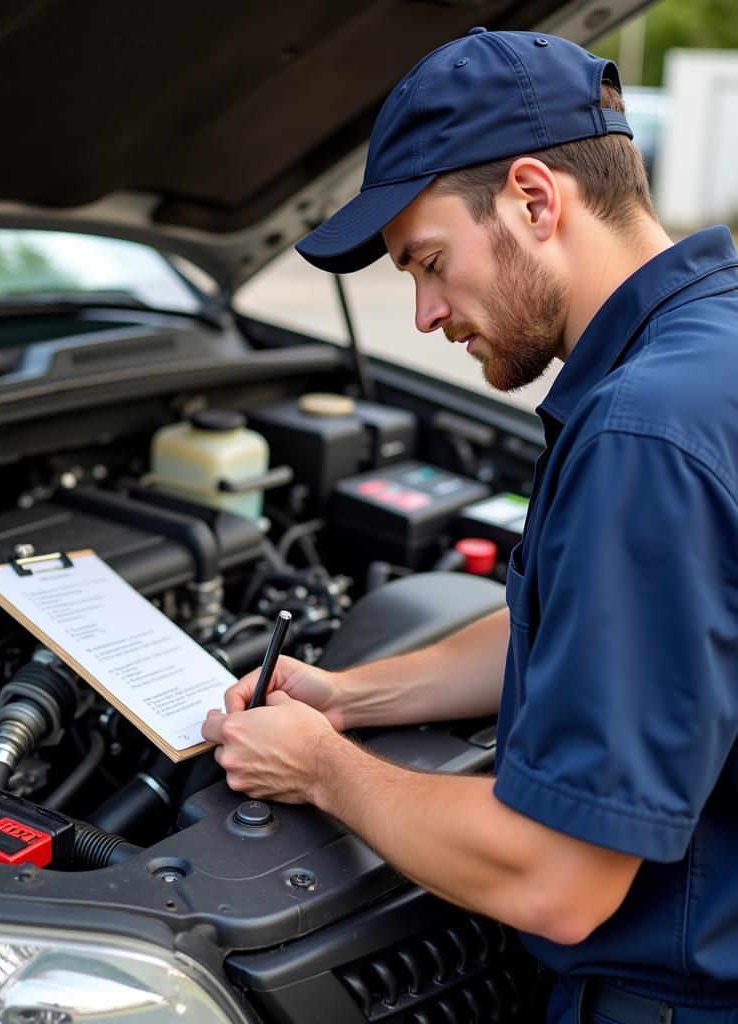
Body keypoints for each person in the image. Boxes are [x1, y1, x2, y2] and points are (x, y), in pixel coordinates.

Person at [201, 27, 738, 1024]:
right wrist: (348, 695)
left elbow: (556, 882)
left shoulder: (642, 433)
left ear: (535, 199)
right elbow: (584, 621)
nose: (421, 314)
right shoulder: (709, 346)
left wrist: (320, 766)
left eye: (429, 262)